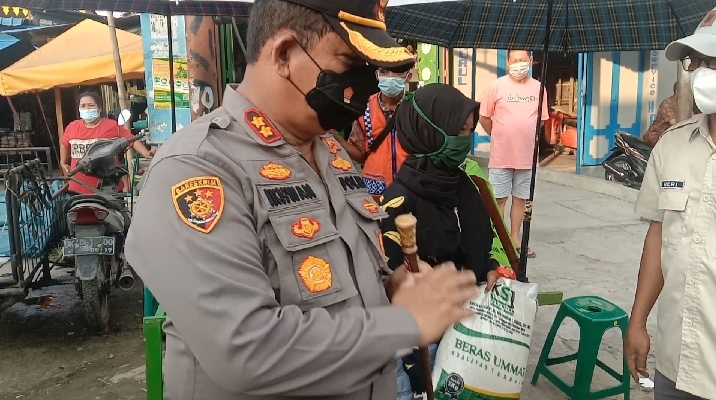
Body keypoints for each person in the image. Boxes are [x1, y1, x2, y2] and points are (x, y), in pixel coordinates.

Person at [124, 0, 480, 399]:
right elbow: (247, 350)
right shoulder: (197, 168)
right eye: (349, 64)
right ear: (284, 54)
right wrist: (404, 324)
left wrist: (386, 288)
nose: (365, 84)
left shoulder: (331, 151)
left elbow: (335, 280)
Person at [379, 83, 501, 400]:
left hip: (469, 326)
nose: (465, 140)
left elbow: (475, 243)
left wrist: (488, 267)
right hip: (426, 338)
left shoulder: (465, 186)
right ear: (429, 132)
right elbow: (396, 280)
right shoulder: (398, 201)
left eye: (469, 131)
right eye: (458, 131)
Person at [625, 7, 716, 400]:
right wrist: (638, 321)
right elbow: (658, 236)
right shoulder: (672, 145)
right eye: (699, 61)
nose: (704, 73)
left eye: (715, 61)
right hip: (677, 362)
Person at [479, 49, 549, 261]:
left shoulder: (539, 88)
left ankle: (515, 238)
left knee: (520, 199)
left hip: (527, 157)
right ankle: (497, 239)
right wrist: (500, 135)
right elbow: (484, 117)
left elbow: (541, 120)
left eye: (523, 60)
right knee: (498, 200)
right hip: (501, 156)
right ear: (508, 63)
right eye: (515, 60)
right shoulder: (496, 86)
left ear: (531, 61)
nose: (519, 64)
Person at [333, 65, 413, 201]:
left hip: (410, 189)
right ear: (377, 75)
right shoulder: (364, 107)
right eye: (384, 72)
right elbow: (360, 154)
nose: (390, 77)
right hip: (374, 191)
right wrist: (336, 137)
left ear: (408, 77)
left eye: (397, 72)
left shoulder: (417, 107)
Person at [59, 91, 154, 195]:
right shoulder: (72, 127)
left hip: (108, 187)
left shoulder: (111, 126)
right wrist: (63, 162)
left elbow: (131, 140)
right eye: (83, 106)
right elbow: (65, 144)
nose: (87, 109)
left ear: (99, 108)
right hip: (78, 186)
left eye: (91, 105)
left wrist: (146, 153)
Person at [642, 82, 678, 147]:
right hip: (656, 135)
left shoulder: (686, 105)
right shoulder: (667, 103)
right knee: (667, 149)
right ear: (678, 91)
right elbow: (673, 122)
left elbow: (693, 117)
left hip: (670, 136)